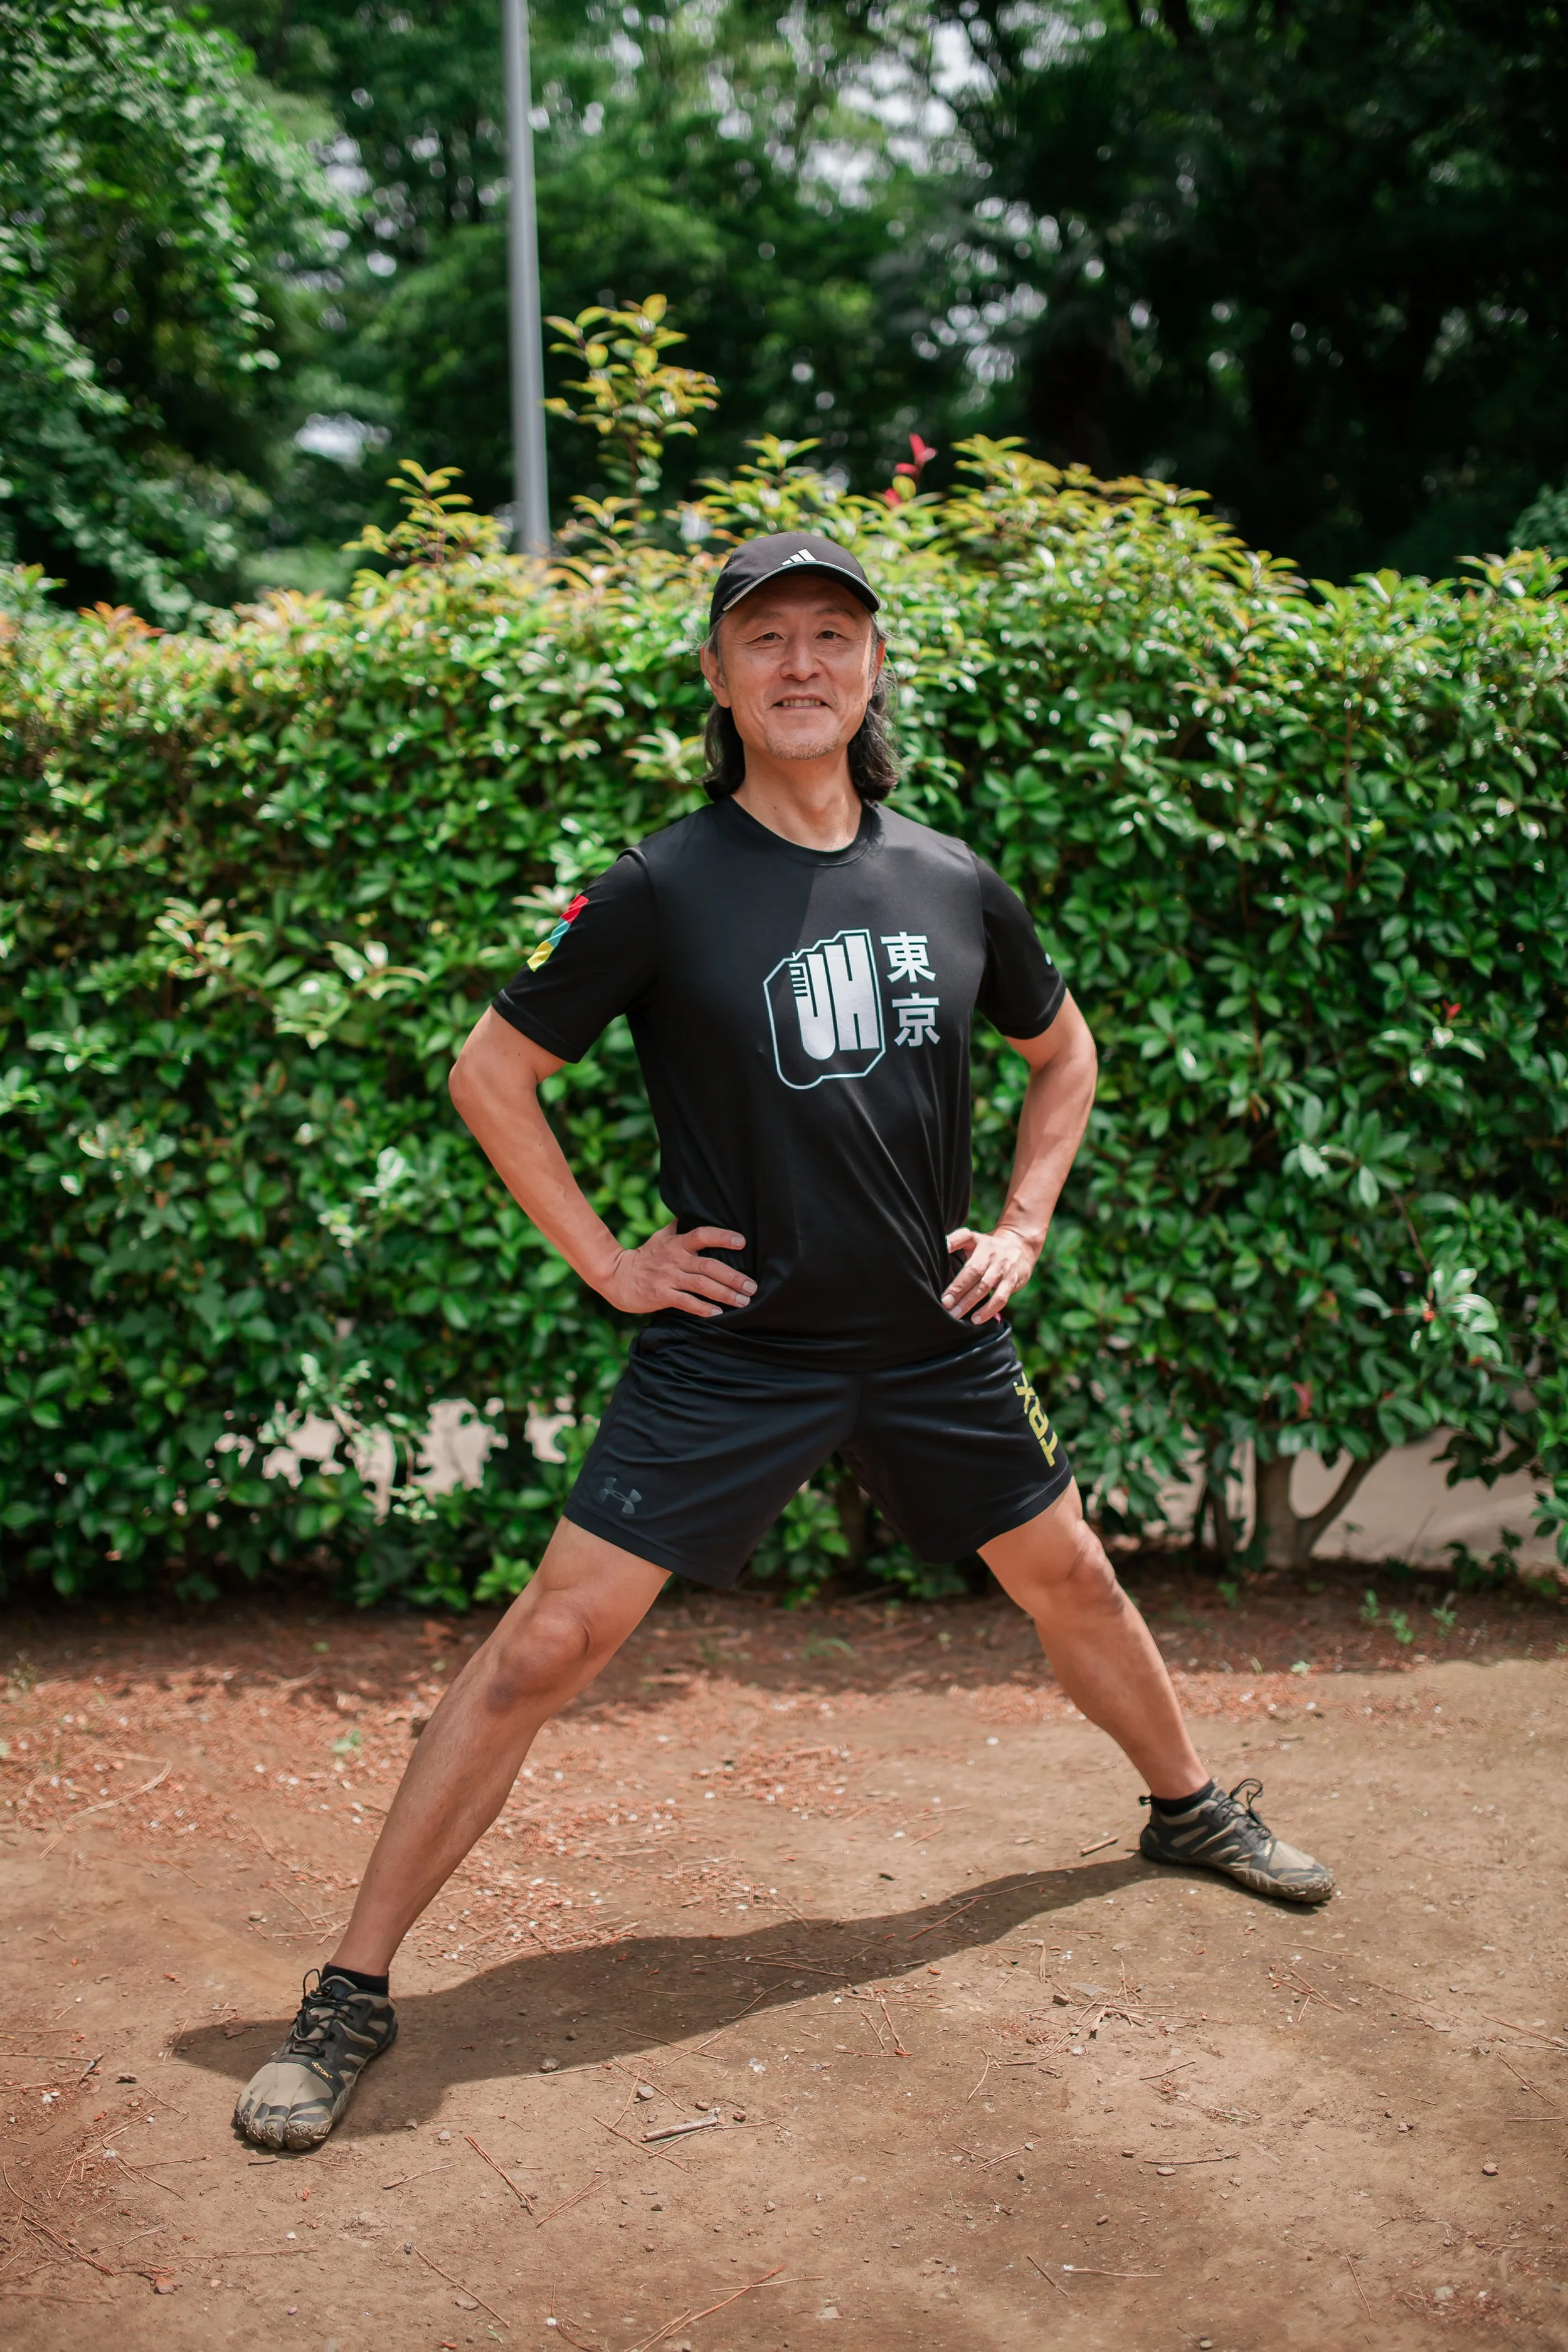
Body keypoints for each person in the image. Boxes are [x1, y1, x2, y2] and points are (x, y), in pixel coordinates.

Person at [234, 529, 1334, 2153]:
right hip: (735, 1347)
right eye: (767, 637)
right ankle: (348, 1992)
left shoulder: (953, 878)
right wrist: (609, 1259)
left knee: (1074, 1579)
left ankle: (1188, 1807)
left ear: (872, 668)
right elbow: (489, 1072)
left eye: (833, 633)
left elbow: (1064, 1053)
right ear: (719, 676)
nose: (802, 662)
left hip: (928, 1336)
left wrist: (1020, 1223)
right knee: (544, 1648)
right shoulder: (653, 885)